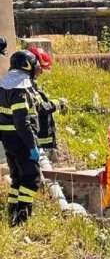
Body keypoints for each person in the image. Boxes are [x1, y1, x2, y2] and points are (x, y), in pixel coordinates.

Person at [0, 51, 41, 226]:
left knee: (17, 178)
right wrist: (32, 146)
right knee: (31, 179)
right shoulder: (20, 89)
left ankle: (12, 214)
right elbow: (22, 122)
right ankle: (22, 218)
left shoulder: (4, 85)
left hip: (9, 141)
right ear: (28, 65)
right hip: (21, 140)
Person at [27, 46, 67, 158]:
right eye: (40, 68)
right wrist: (58, 103)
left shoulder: (31, 84)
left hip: (42, 144)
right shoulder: (27, 86)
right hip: (38, 145)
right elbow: (41, 108)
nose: (41, 72)